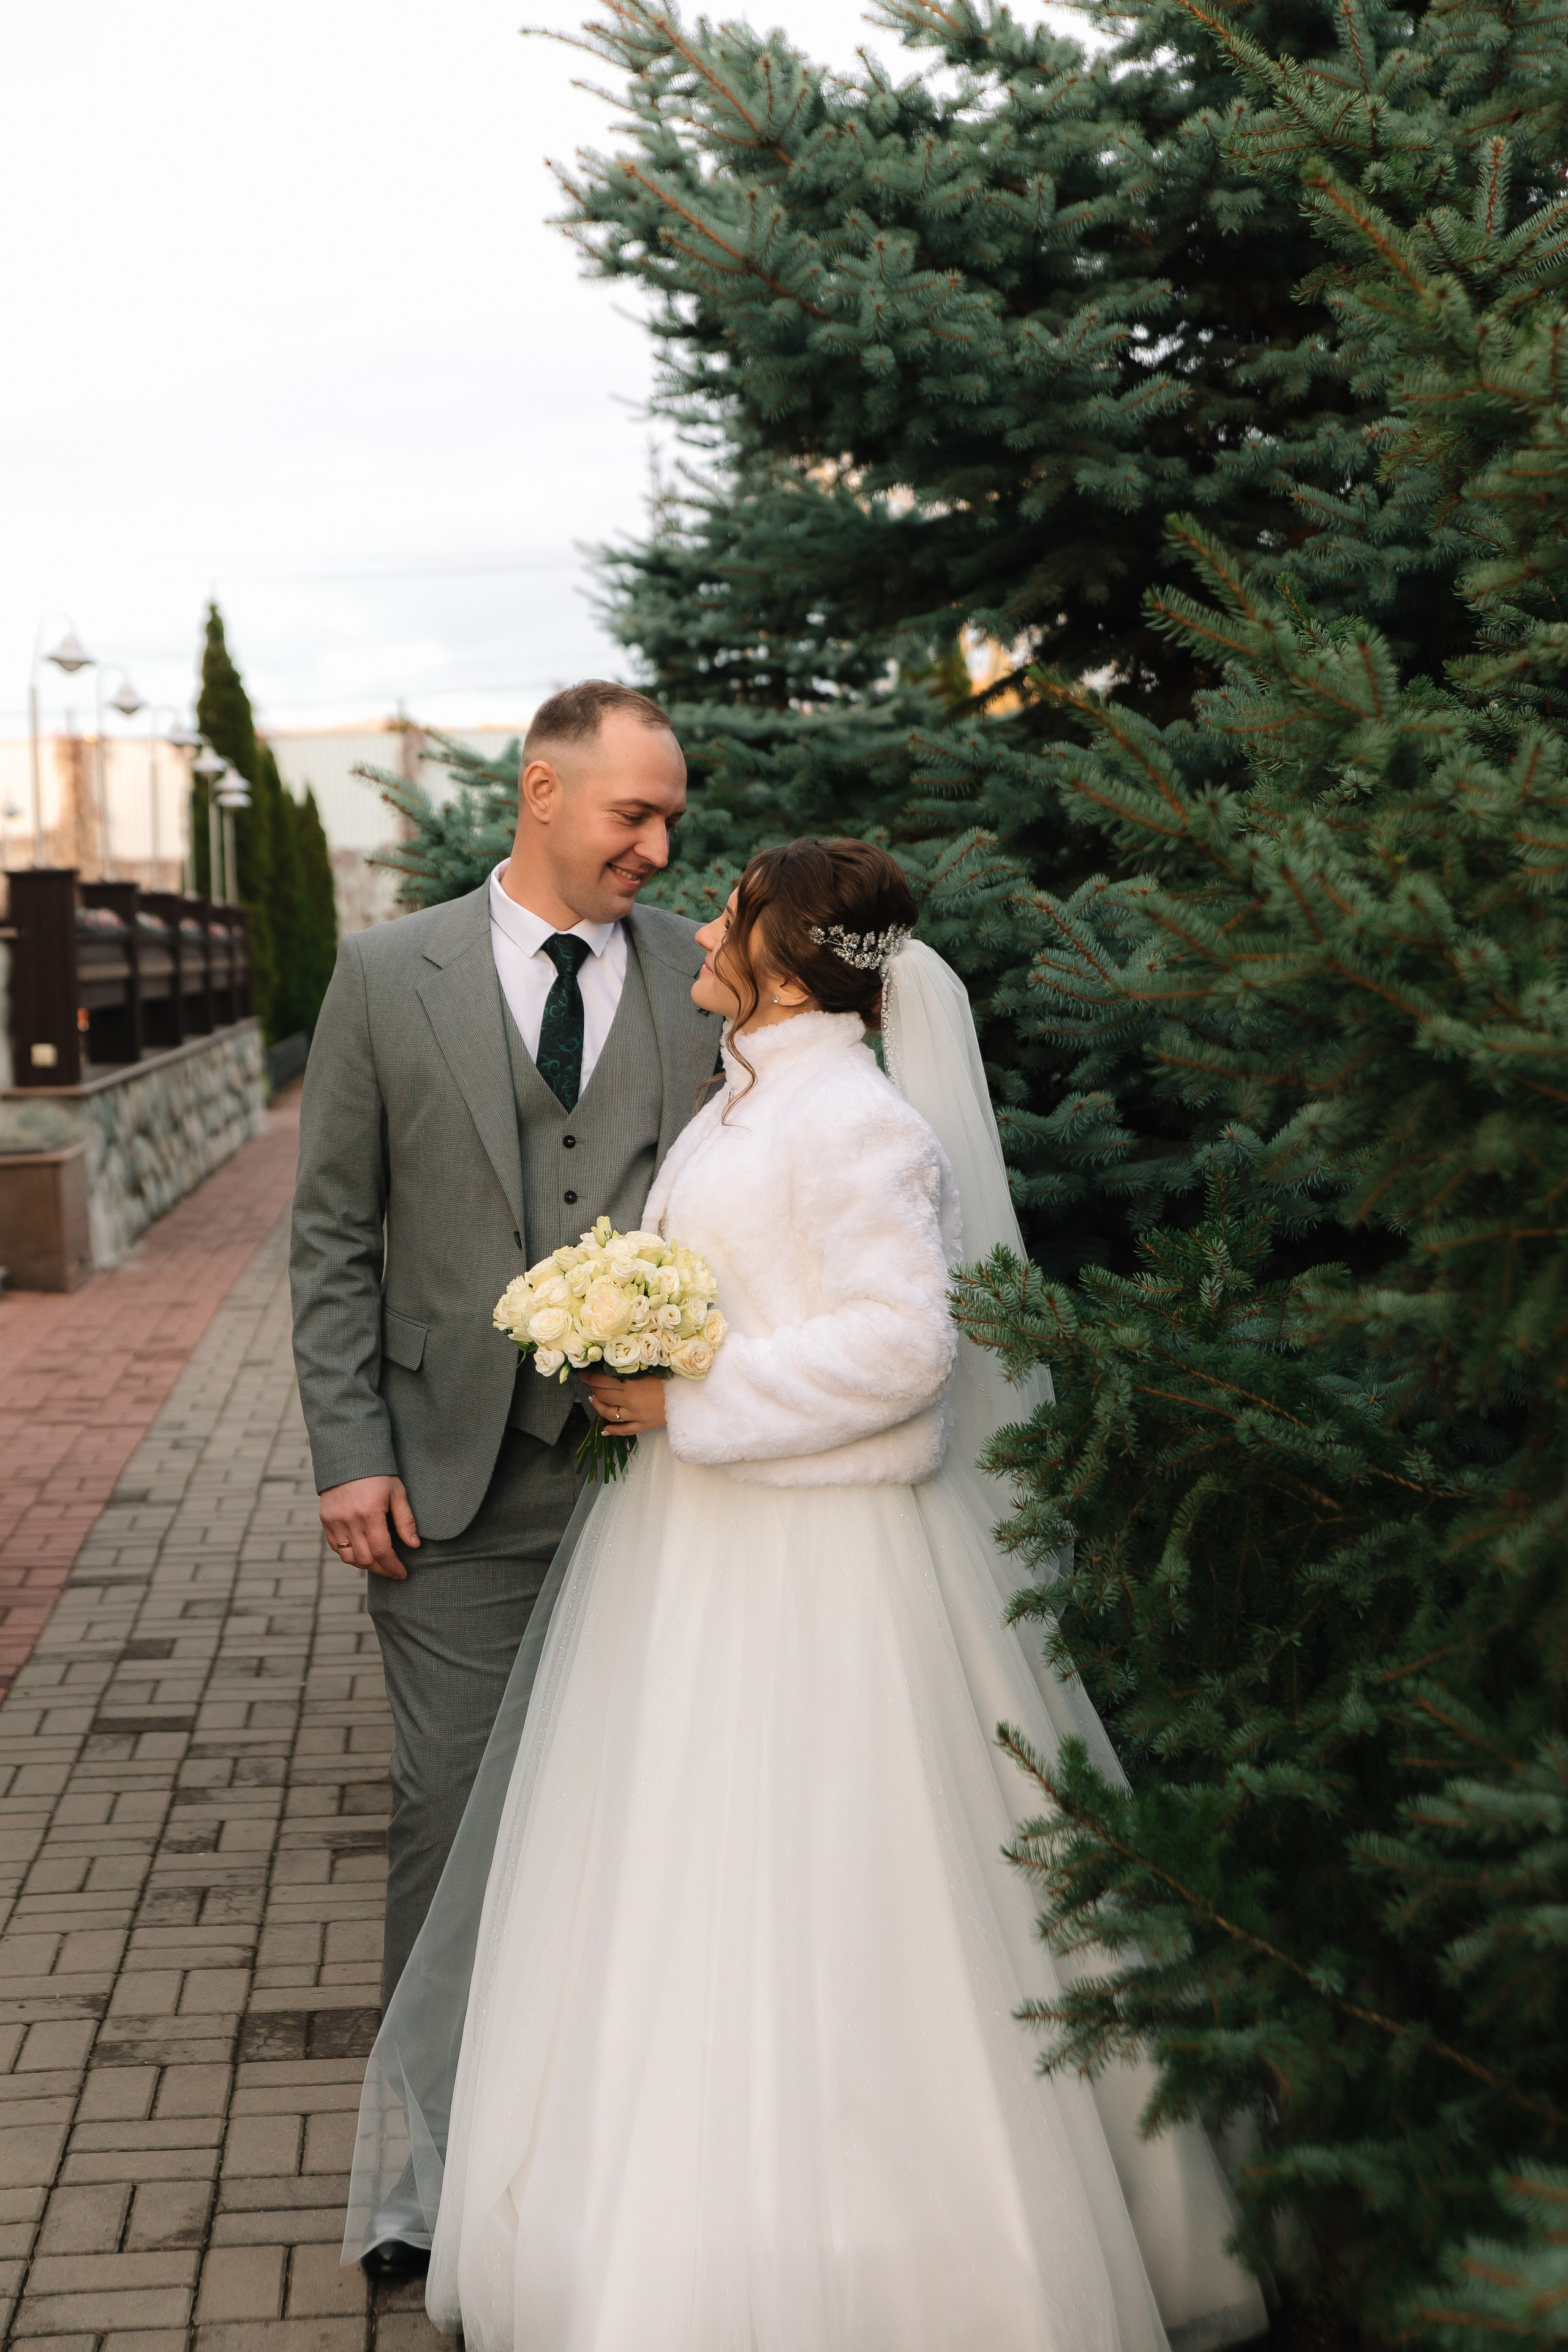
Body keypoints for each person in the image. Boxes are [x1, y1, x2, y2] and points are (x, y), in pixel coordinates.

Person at [342, 836, 1271, 2351]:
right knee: (678, 1882)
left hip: (818, 1567)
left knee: (839, 1888)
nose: (701, 921)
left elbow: (903, 1356)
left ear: (783, 954)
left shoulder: (854, 1122)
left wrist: (687, 1407)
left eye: (732, 912)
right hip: (700, 1555)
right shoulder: (751, 1091)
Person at [289, 680, 722, 2278]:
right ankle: (435, 2183)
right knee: (449, 1820)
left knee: (641, 1824)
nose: (659, 844)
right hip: (448, 1488)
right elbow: (332, 1234)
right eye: (633, 813)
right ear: (543, 791)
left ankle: (599, 2170)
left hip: (659, 1492)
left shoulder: (706, 974)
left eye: (670, 817)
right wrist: (350, 1455)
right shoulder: (383, 974)